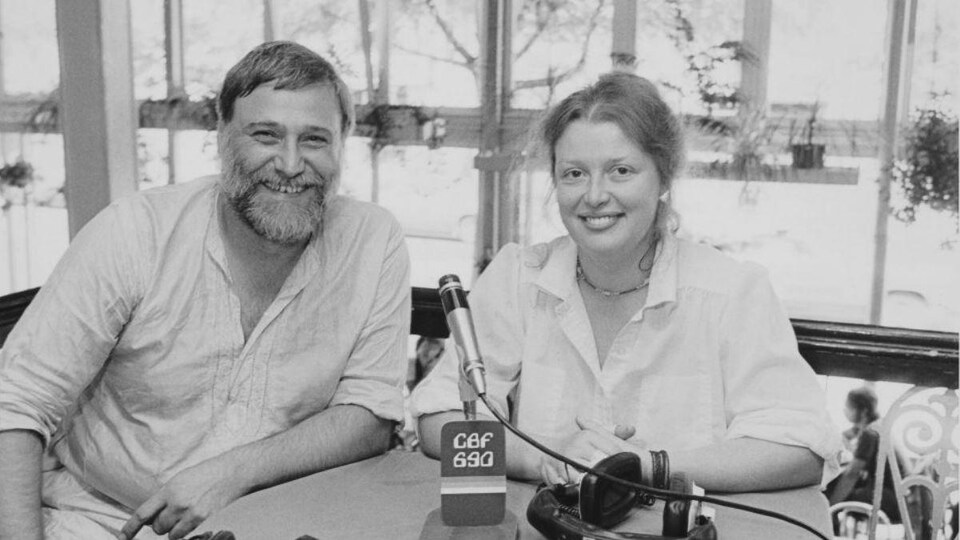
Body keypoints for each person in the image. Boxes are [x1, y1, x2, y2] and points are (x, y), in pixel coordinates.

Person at [0, 41, 410, 540]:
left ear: (343, 144)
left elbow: (370, 415)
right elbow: (17, 404)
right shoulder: (136, 231)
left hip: (282, 523)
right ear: (222, 137)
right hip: (102, 519)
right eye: (265, 135)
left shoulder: (374, 239)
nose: (288, 163)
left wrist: (231, 472)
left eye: (314, 140)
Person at [412, 72, 841, 492]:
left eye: (620, 171)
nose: (595, 195)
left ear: (664, 177)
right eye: (574, 174)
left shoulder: (731, 292)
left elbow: (801, 447)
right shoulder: (517, 279)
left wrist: (647, 467)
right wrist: (543, 459)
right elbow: (438, 418)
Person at [826, 386, 902, 524]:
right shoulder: (879, 426)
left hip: (891, 498)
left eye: (849, 407)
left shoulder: (870, 433)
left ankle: (828, 525)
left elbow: (852, 473)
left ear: (863, 411)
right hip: (900, 496)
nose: (845, 411)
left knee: (833, 492)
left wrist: (831, 506)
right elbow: (849, 433)